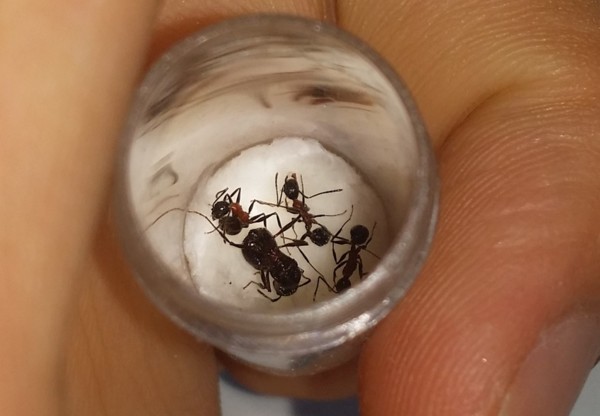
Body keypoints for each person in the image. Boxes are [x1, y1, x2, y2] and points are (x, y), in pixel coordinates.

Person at [2, 1, 599, 415]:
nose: (248, 226)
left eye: (238, 219)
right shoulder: (260, 241)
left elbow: (266, 242)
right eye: (237, 221)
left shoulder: (274, 240)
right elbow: (261, 242)